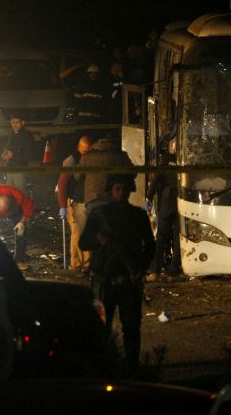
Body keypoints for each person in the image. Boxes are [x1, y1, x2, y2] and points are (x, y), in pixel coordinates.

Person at [79, 174, 155, 369]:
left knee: (131, 328)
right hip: (104, 280)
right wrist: (99, 240)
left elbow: (150, 247)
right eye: (117, 189)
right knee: (101, 329)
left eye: (124, 189)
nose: (121, 193)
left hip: (129, 281)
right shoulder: (99, 215)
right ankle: (103, 367)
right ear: (111, 190)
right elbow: (83, 243)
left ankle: (131, 367)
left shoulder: (137, 216)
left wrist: (138, 269)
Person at [57, 135, 92, 271]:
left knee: (84, 231)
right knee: (77, 232)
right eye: (84, 150)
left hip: (84, 200)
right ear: (78, 148)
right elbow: (62, 185)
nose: (86, 153)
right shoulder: (70, 161)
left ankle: (85, 263)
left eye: (88, 150)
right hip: (73, 201)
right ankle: (77, 264)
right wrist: (62, 206)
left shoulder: (90, 159)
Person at [145, 152, 180, 281]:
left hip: (166, 206)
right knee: (177, 240)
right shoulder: (180, 166)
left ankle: (155, 271)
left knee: (161, 239)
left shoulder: (162, 168)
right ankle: (174, 272)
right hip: (180, 205)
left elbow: (153, 186)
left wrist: (147, 205)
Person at [0, 184, 35, 270]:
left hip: (14, 211)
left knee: (21, 231)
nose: (4, 215)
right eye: (3, 211)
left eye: (5, 211)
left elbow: (28, 206)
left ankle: (19, 259)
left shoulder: (19, 196)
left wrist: (22, 222)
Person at [80, 136, 134, 215]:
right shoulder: (121, 155)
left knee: (96, 225)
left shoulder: (88, 156)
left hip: (93, 198)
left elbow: (77, 175)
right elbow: (133, 173)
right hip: (113, 197)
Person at [2, 114, 35, 191]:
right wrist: (5, 153)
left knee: (19, 191)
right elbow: (9, 147)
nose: (15, 125)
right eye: (13, 122)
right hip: (10, 166)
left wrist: (13, 155)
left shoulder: (26, 135)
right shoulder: (11, 134)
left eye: (17, 122)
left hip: (20, 166)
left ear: (22, 123)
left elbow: (29, 153)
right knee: (10, 190)